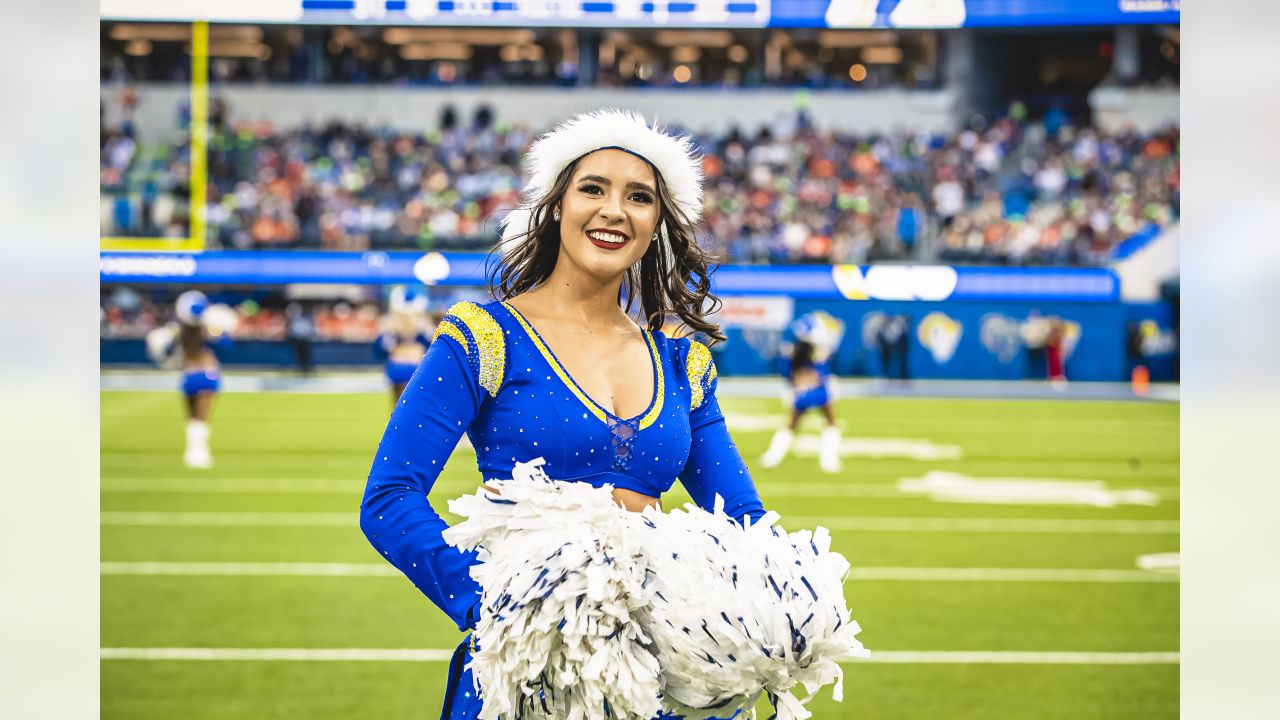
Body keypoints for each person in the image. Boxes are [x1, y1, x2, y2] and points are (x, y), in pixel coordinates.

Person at [360, 110, 767, 719]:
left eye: (639, 197)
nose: (614, 210)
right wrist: (510, 605)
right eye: (592, 189)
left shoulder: (684, 364)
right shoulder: (485, 336)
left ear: (657, 223)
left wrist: (755, 617)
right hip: (527, 675)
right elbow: (390, 498)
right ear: (555, 206)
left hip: (655, 678)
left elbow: (745, 522)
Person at [144, 290, 235, 469]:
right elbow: (227, 346)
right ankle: (199, 452)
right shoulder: (205, 329)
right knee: (202, 416)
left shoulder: (178, 330)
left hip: (188, 373)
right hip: (206, 373)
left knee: (193, 417)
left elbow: (164, 351)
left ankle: (194, 451)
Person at [760, 311, 844, 473]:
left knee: (792, 423)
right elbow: (821, 373)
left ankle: (773, 456)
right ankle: (828, 460)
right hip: (815, 389)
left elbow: (787, 375)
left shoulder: (795, 351)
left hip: (803, 390)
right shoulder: (812, 353)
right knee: (830, 422)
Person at [373, 285, 434, 403]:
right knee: (404, 402)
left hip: (411, 363)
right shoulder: (392, 325)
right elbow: (381, 348)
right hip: (404, 363)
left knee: (410, 402)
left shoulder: (420, 325)